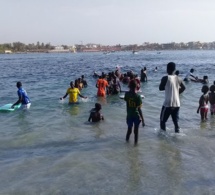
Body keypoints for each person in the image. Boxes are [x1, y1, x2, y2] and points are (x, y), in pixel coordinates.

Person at [159, 62, 186, 133]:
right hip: (177, 103)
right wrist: (177, 92)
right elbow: (184, 87)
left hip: (168, 104)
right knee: (175, 122)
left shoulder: (165, 78)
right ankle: (177, 134)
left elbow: (160, 88)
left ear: (167, 69)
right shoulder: (179, 78)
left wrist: (169, 87)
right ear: (174, 69)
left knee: (162, 121)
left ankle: (163, 138)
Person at [124, 80, 145, 145]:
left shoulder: (126, 94)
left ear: (129, 86)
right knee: (136, 132)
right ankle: (135, 145)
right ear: (136, 87)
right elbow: (139, 109)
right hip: (136, 115)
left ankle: (126, 143)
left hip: (129, 115)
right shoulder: (138, 96)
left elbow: (126, 100)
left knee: (129, 130)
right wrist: (143, 120)